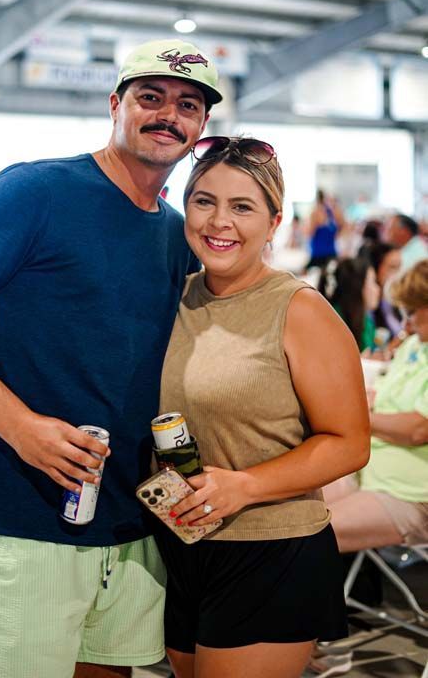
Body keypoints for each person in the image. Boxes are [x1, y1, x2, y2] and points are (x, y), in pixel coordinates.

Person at [0, 38, 222, 678]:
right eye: (150, 98)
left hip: (131, 513)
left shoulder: (175, 234)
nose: (168, 115)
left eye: (187, 105)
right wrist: (23, 428)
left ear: (202, 127)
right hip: (24, 507)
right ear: (115, 104)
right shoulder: (37, 191)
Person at [155, 136, 370, 678]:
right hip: (180, 542)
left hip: (271, 548)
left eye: (242, 206)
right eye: (204, 201)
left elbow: (349, 443)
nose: (218, 221)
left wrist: (243, 486)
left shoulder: (299, 310)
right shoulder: (172, 298)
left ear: (274, 223)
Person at [309, 260, 428, 674]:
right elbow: (382, 396)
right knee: (290, 510)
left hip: (410, 494)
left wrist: (355, 416)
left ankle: (327, 639)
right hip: (370, 468)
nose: (407, 322)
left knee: (311, 533)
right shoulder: (415, 345)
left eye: (414, 312)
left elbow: (417, 429)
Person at [318, 256, 381, 353]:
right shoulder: (335, 321)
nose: (378, 289)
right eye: (373, 282)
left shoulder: (366, 320)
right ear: (357, 286)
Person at [306, 188, 344, 269]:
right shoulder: (333, 212)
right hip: (332, 253)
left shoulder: (315, 213)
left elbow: (310, 233)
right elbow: (342, 226)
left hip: (318, 254)